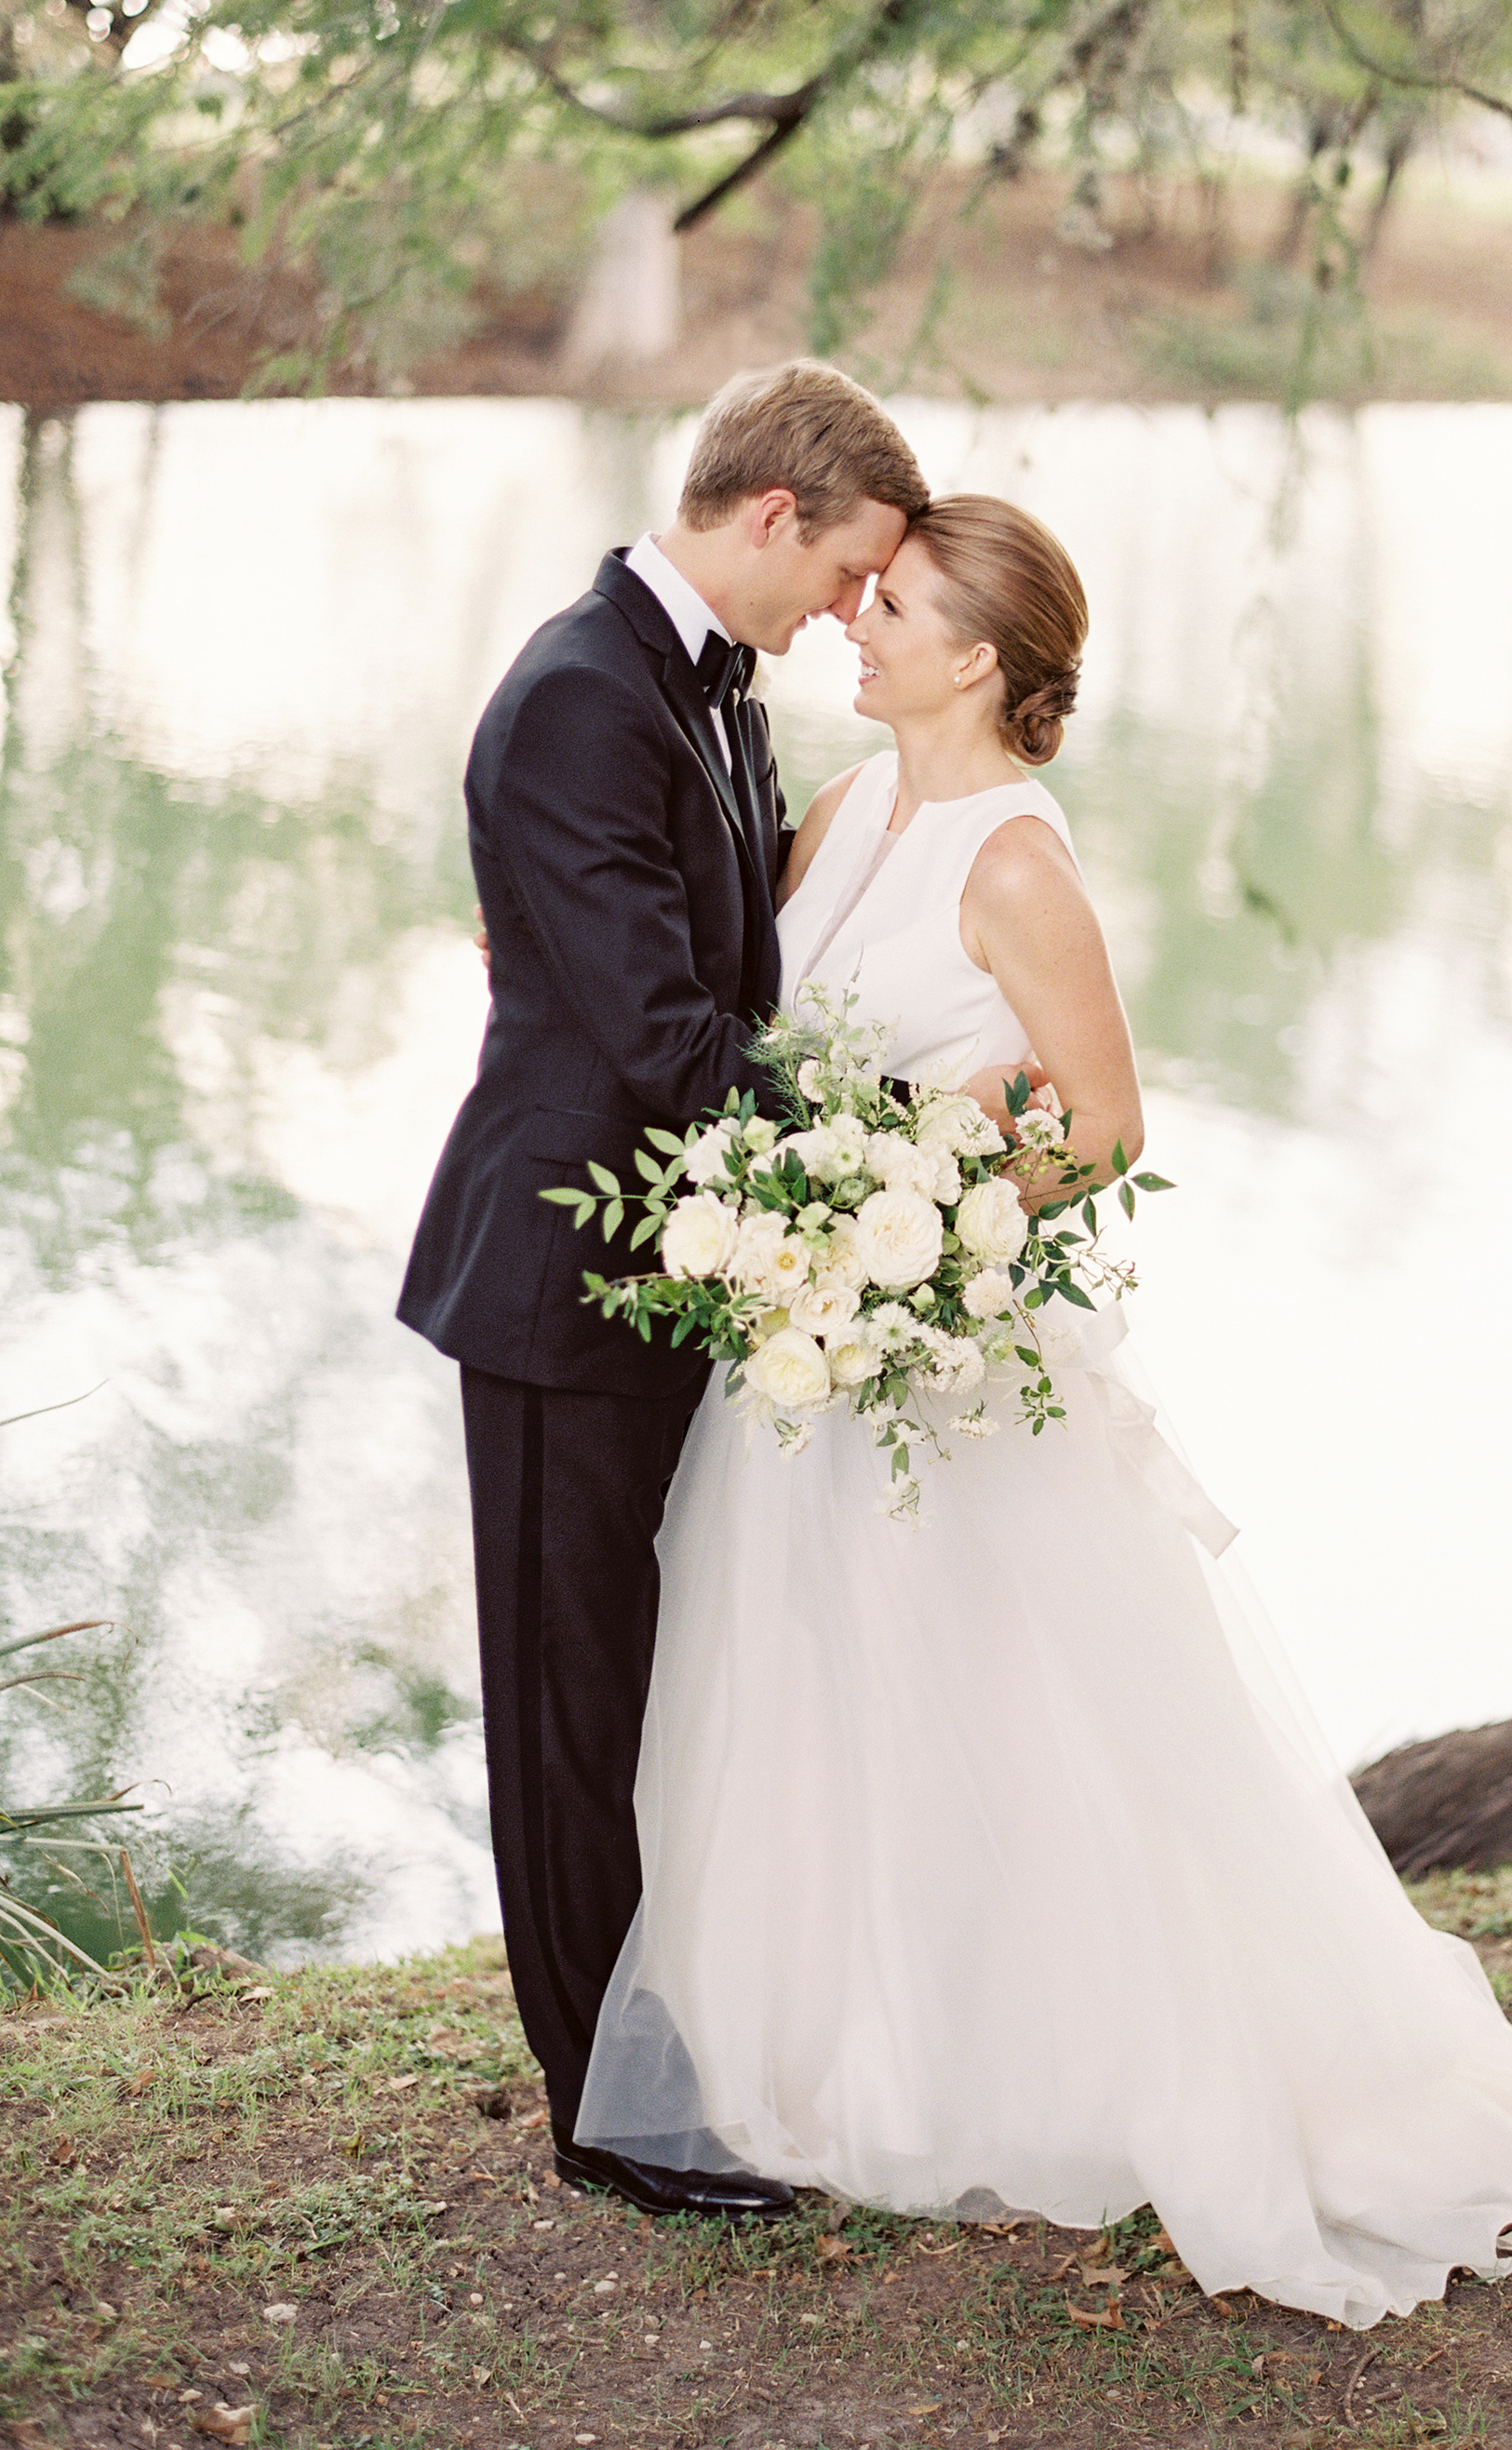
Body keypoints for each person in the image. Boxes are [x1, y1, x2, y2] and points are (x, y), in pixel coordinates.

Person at [572, 494, 1512, 2329]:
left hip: (946, 1355)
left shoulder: (1017, 869)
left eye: (887, 605)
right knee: (820, 1679)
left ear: (973, 656)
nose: (852, 623)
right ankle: (850, 2049)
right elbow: (758, 1034)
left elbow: (1106, 1124)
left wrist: (926, 1211)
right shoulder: (835, 821)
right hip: (813, 1351)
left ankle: (1067, 2054)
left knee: (1001, 1702)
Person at [397, 362, 934, 2221]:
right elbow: (655, 1032)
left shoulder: (710, 698)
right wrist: (893, 1153)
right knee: (570, 1705)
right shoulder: (576, 699)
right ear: (775, 515)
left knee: (648, 1686)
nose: (851, 611)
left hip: (672, 1272)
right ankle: (608, 2117)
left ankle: (661, 2040)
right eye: (852, 571)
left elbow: (728, 980)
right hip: (559, 1277)